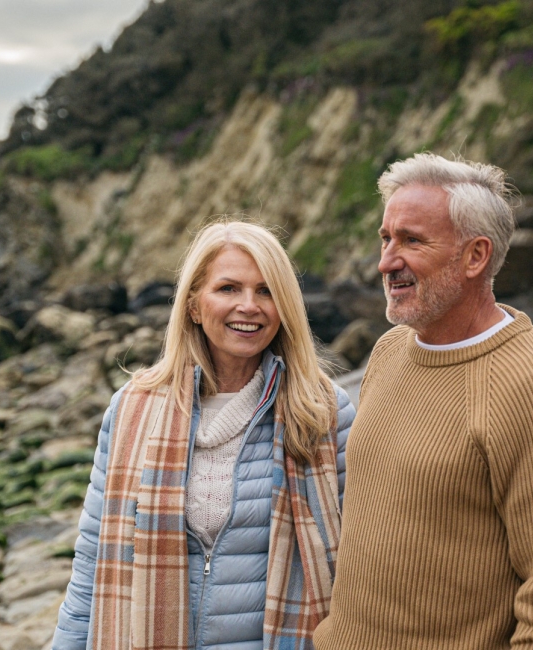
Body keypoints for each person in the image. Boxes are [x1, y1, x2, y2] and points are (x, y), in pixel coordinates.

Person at [313, 153, 533, 650]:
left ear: (475, 257)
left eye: (411, 241)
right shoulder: (391, 350)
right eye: (386, 238)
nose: (386, 261)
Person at [53, 221, 354, 650]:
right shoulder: (133, 409)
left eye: (266, 291)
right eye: (228, 288)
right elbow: (91, 561)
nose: (249, 306)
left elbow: (358, 567)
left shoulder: (323, 411)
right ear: (193, 304)